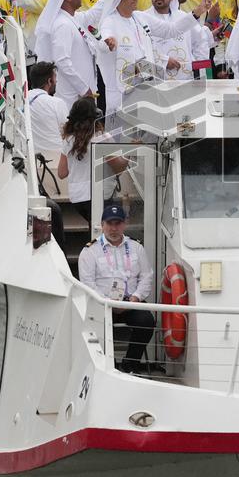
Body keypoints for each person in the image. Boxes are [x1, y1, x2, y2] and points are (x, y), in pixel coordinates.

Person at [96, 0, 211, 121]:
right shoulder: (110, 21)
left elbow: (171, 30)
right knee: (124, 131)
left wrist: (198, 11)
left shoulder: (139, 17)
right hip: (123, 91)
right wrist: (108, 43)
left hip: (146, 88)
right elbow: (103, 40)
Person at [78, 203, 155, 374]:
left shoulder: (136, 247)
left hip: (131, 302)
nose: (113, 228)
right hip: (102, 304)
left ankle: (130, 364)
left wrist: (135, 298)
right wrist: (108, 302)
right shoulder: (90, 251)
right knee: (99, 325)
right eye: (109, 223)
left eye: (118, 223)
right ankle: (108, 367)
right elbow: (87, 283)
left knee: (147, 321)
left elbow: (146, 276)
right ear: (102, 224)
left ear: (124, 224)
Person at [33, 0, 111, 109]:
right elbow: (61, 60)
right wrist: (83, 88)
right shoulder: (62, 24)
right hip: (73, 96)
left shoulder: (72, 19)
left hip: (83, 94)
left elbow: (93, 13)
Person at [58, 97, 109, 222]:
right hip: (98, 194)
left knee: (93, 227)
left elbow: (61, 173)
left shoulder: (68, 140)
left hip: (77, 197)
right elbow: (118, 166)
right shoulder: (102, 137)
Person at [26, 61, 69, 160]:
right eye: (55, 78)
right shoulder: (57, 103)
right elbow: (68, 134)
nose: (56, 82)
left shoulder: (22, 99)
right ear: (49, 81)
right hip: (56, 159)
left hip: (30, 159)